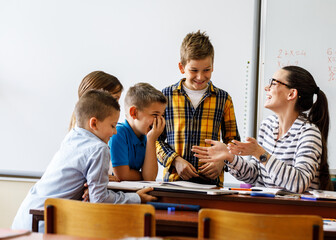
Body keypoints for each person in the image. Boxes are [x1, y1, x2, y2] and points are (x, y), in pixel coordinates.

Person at [12, 90, 156, 232]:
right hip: (46, 224)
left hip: (26, 217)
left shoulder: (73, 136)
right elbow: (99, 200)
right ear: (94, 123)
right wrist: (136, 198)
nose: (115, 132)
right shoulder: (99, 148)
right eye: (112, 125)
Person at [192, 66, 333, 193]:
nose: (267, 87)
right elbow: (257, 177)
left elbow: (299, 183)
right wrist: (230, 157)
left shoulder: (308, 133)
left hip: (298, 215)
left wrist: (259, 153)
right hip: (270, 210)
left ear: (291, 94)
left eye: (273, 83)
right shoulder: (268, 125)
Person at [156, 30, 240, 186]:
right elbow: (156, 140)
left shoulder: (224, 99)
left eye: (206, 70)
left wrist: (222, 162)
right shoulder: (165, 96)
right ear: (182, 67)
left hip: (211, 184)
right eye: (194, 70)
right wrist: (175, 161)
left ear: (213, 66)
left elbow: (233, 142)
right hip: (174, 183)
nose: (200, 77)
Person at [109, 83, 167, 181]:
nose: (160, 121)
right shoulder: (118, 133)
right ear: (134, 113)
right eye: (155, 115)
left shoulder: (146, 137)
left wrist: (151, 140)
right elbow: (123, 176)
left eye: (162, 115)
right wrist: (143, 176)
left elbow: (150, 178)